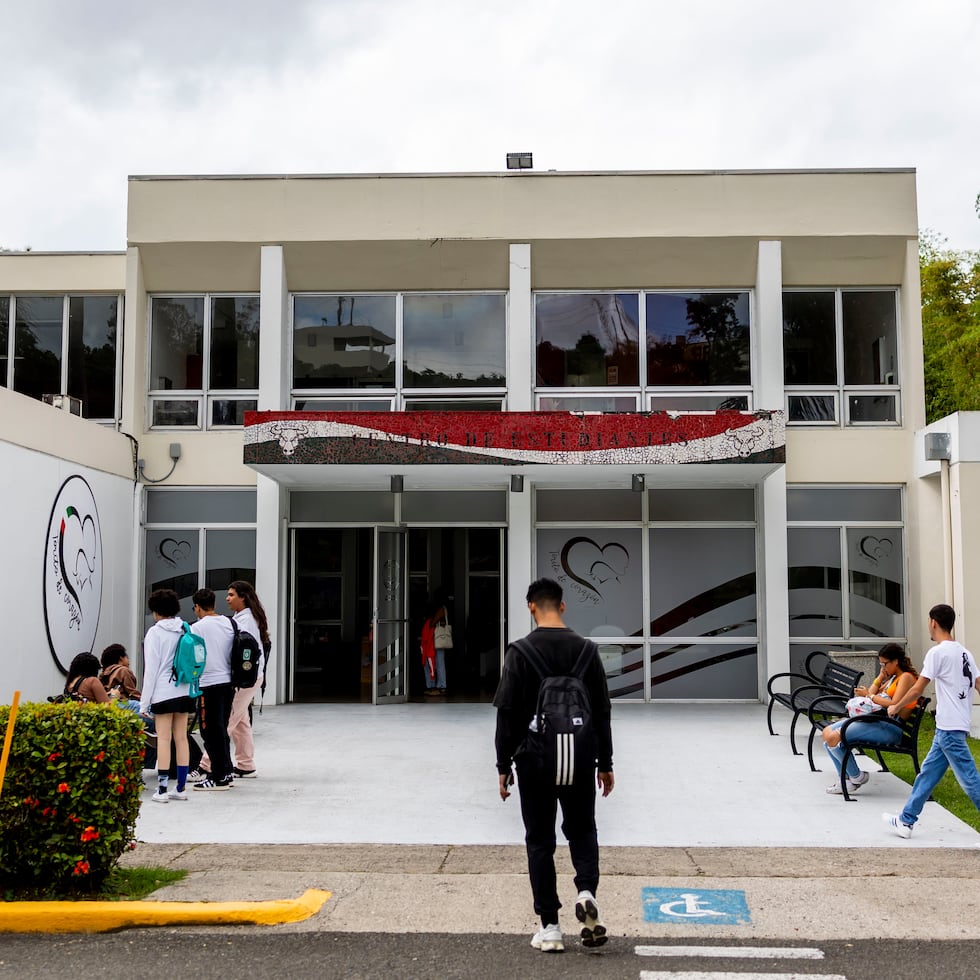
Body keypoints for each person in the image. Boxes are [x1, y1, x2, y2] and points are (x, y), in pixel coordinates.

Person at [493, 577, 614, 953]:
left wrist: (503, 765)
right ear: (563, 606)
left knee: (540, 842)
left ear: (531, 608)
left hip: (535, 762)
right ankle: (585, 891)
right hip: (578, 758)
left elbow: (507, 716)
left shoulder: (520, 652)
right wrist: (605, 762)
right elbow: (602, 712)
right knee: (582, 831)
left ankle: (550, 927)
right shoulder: (586, 651)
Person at [883, 603, 980, 838]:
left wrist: (895, 705)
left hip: (949, 727)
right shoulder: (965, 652)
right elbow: (978, 684)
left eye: (929, 621)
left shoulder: (937, 653)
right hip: (951, 726)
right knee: (927, 774)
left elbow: (918, 688)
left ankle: (906, 820)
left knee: (970, 780)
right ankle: (906, 821)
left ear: (933, 622)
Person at [191, 580, 270, 781]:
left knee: (223, 723)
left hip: (244, 680)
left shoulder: (245, 620)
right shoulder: (241, 618)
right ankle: (246, 764)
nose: (227, 598)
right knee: (240, 721)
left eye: (232, 594)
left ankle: (207, 765)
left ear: (243, 597)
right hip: (249, 678)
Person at [820, 643, 918, 794]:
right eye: (880, 664)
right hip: (877, 721)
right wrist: (880, 677)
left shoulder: (905, 678)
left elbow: (894, 704)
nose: (883, 667)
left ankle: (855, 777)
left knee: (833, 738)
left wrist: (870, 695)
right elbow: (872, 696)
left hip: (890, 727)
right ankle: (846, 780)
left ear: (895, 661)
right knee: (827, 734)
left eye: (885, 663)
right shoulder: (892, 678)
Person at [139, 588, 196, 803]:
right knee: (181, 738)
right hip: (184, 689)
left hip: (163, 692)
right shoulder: (184, 628)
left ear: (155, 611)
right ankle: (180, 788)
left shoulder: (155, 632)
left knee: (164, 738)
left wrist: (145, 703)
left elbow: (151, 671)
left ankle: (162, 790)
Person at [188, 588, 236, 791]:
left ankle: (218, 777)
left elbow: (192, 658)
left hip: (209, 684)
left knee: (209, 731)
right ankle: (226, 770)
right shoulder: (230, 623)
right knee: (221, 730)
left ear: (197, 607)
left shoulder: (197, 628)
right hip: (228, 683)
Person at [421, 595, 449, 697]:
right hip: (437, 639)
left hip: (436, 638)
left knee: (437, 663)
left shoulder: (441, 608)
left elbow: (436, 619)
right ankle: (439, 686)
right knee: (437, 662)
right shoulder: (443, 608)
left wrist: (432, 624)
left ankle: (440, 686)